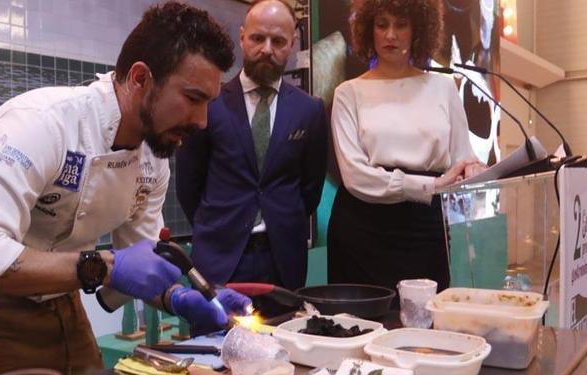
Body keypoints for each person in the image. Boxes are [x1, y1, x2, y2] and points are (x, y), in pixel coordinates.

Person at [0, 1, 248, 375]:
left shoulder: (153, 159)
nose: (203, 121)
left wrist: (181, 297)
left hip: (62, 304)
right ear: (141, 78)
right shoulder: (41, 125)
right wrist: (102, 266)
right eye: (192, 98)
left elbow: (141, 262)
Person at [327, 0, 486, 295]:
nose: (391, 35)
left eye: (401, 24)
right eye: (382, 24)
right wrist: (429, 185)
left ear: (418, 29)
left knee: (426, 327)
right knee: (362, 326)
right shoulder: (348, 93)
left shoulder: (443, 88)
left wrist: (474, 168)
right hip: (361, 226)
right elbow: (354, 176)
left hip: (426, 228)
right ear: (368, 29)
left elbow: (463, 157)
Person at [176, 0, 328, 303]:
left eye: (279, 41)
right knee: (214, 346)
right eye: (258, 38)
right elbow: (188, 185)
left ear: (293, 44)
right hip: (219, 258)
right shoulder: (209, 103)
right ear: (242, 37)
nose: (267, 49)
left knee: (282, 348)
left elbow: (310, 190)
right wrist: (218, 224)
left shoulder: (310, 111)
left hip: (283, 259)